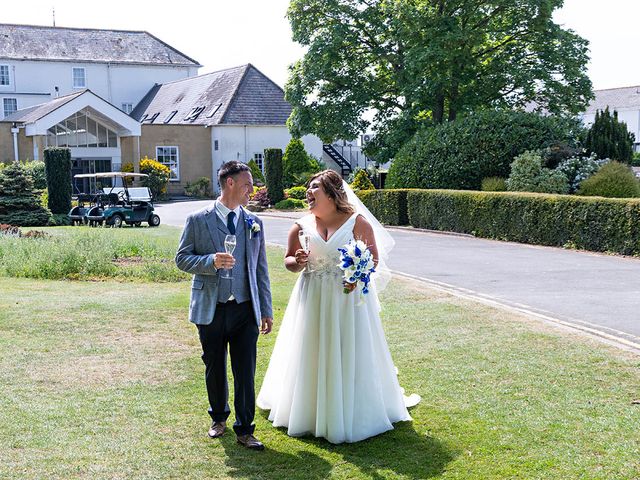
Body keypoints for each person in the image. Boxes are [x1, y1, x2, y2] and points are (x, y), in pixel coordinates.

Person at [257, 169, 417, 444]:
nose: (309, 192)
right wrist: (298, 261)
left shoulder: (357, 223)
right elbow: (289, 263)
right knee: (311, 349)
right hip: (312, 298)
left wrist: (357, 276)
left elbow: (373, 260)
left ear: (332, 193)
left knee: (348, 349)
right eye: (308, 188)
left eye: (315, 187)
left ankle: (351, 408)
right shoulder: (300, 226)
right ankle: (310, 409)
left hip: (347, 300)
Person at [175, 161, 273, 451]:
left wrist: (265, 309)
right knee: (214, 365)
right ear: (229, 183)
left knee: (246, 370)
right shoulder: (197, 219)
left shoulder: (255, 222)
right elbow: (181, 258)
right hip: (211, 307)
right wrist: (210, 262)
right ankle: (218, 418)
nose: (251, 190)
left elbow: (261, 270)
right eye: (247, 184)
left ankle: (245, 428)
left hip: (245, 308)